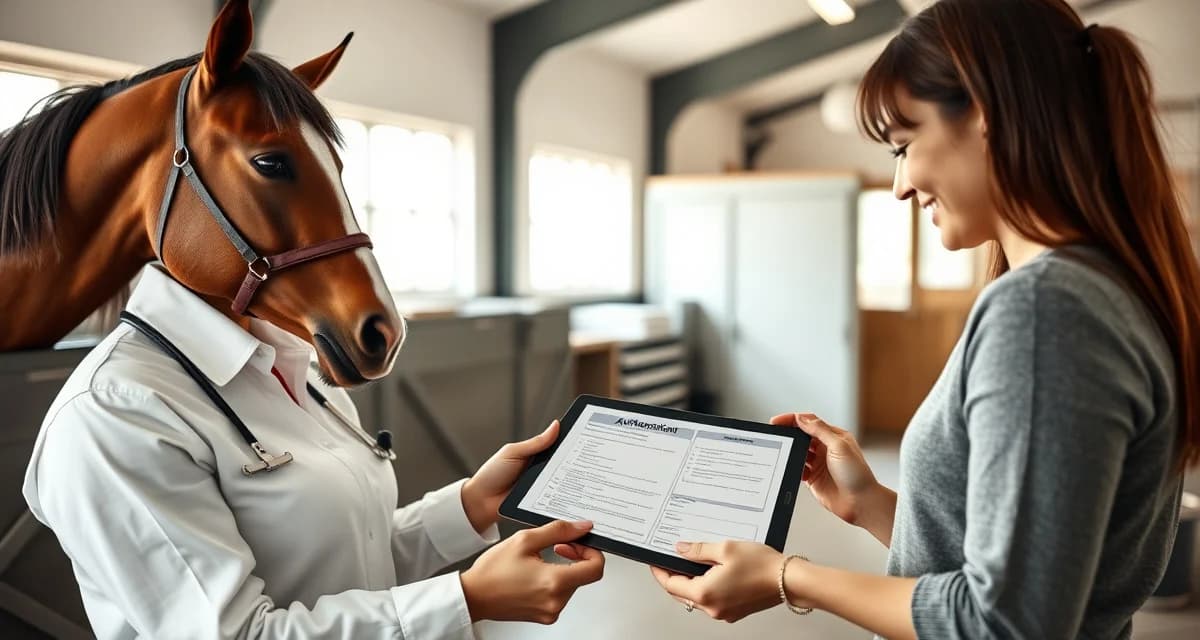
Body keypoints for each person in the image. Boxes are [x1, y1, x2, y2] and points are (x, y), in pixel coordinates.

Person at [648, 1, 1200, 638]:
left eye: (906, 145)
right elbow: (1025, 569)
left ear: (988, 116)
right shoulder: (1104, 288)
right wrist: (873, 506)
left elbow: (1007, 623)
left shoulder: (1047, 311)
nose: (901, 186)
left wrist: (787, 576)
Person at [22, 267, 604, 639]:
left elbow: (352, 559)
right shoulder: (117, 412)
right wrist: (465, 597)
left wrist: (473, 503)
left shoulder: (289, 363)